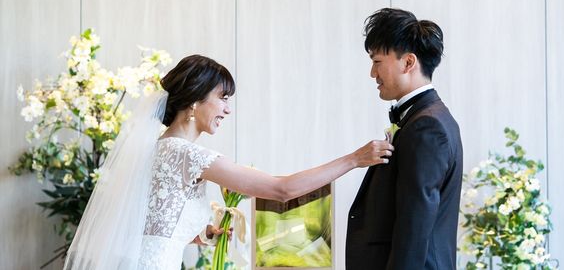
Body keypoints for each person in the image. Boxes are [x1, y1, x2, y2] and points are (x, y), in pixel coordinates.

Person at [65, 54, 393, 270]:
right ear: (196, 100)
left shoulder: (157, 150)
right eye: (222, 98)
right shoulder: (187, 154)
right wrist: (355, 159)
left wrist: (201, 234)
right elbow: (281, 190)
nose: (227, 109)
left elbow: (155, 226)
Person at [346, 8, 463, 270]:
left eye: (377, 62)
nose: (372, 73)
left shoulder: (427, 127)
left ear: (408, 63)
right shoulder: (426, 117)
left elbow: (414, 227)